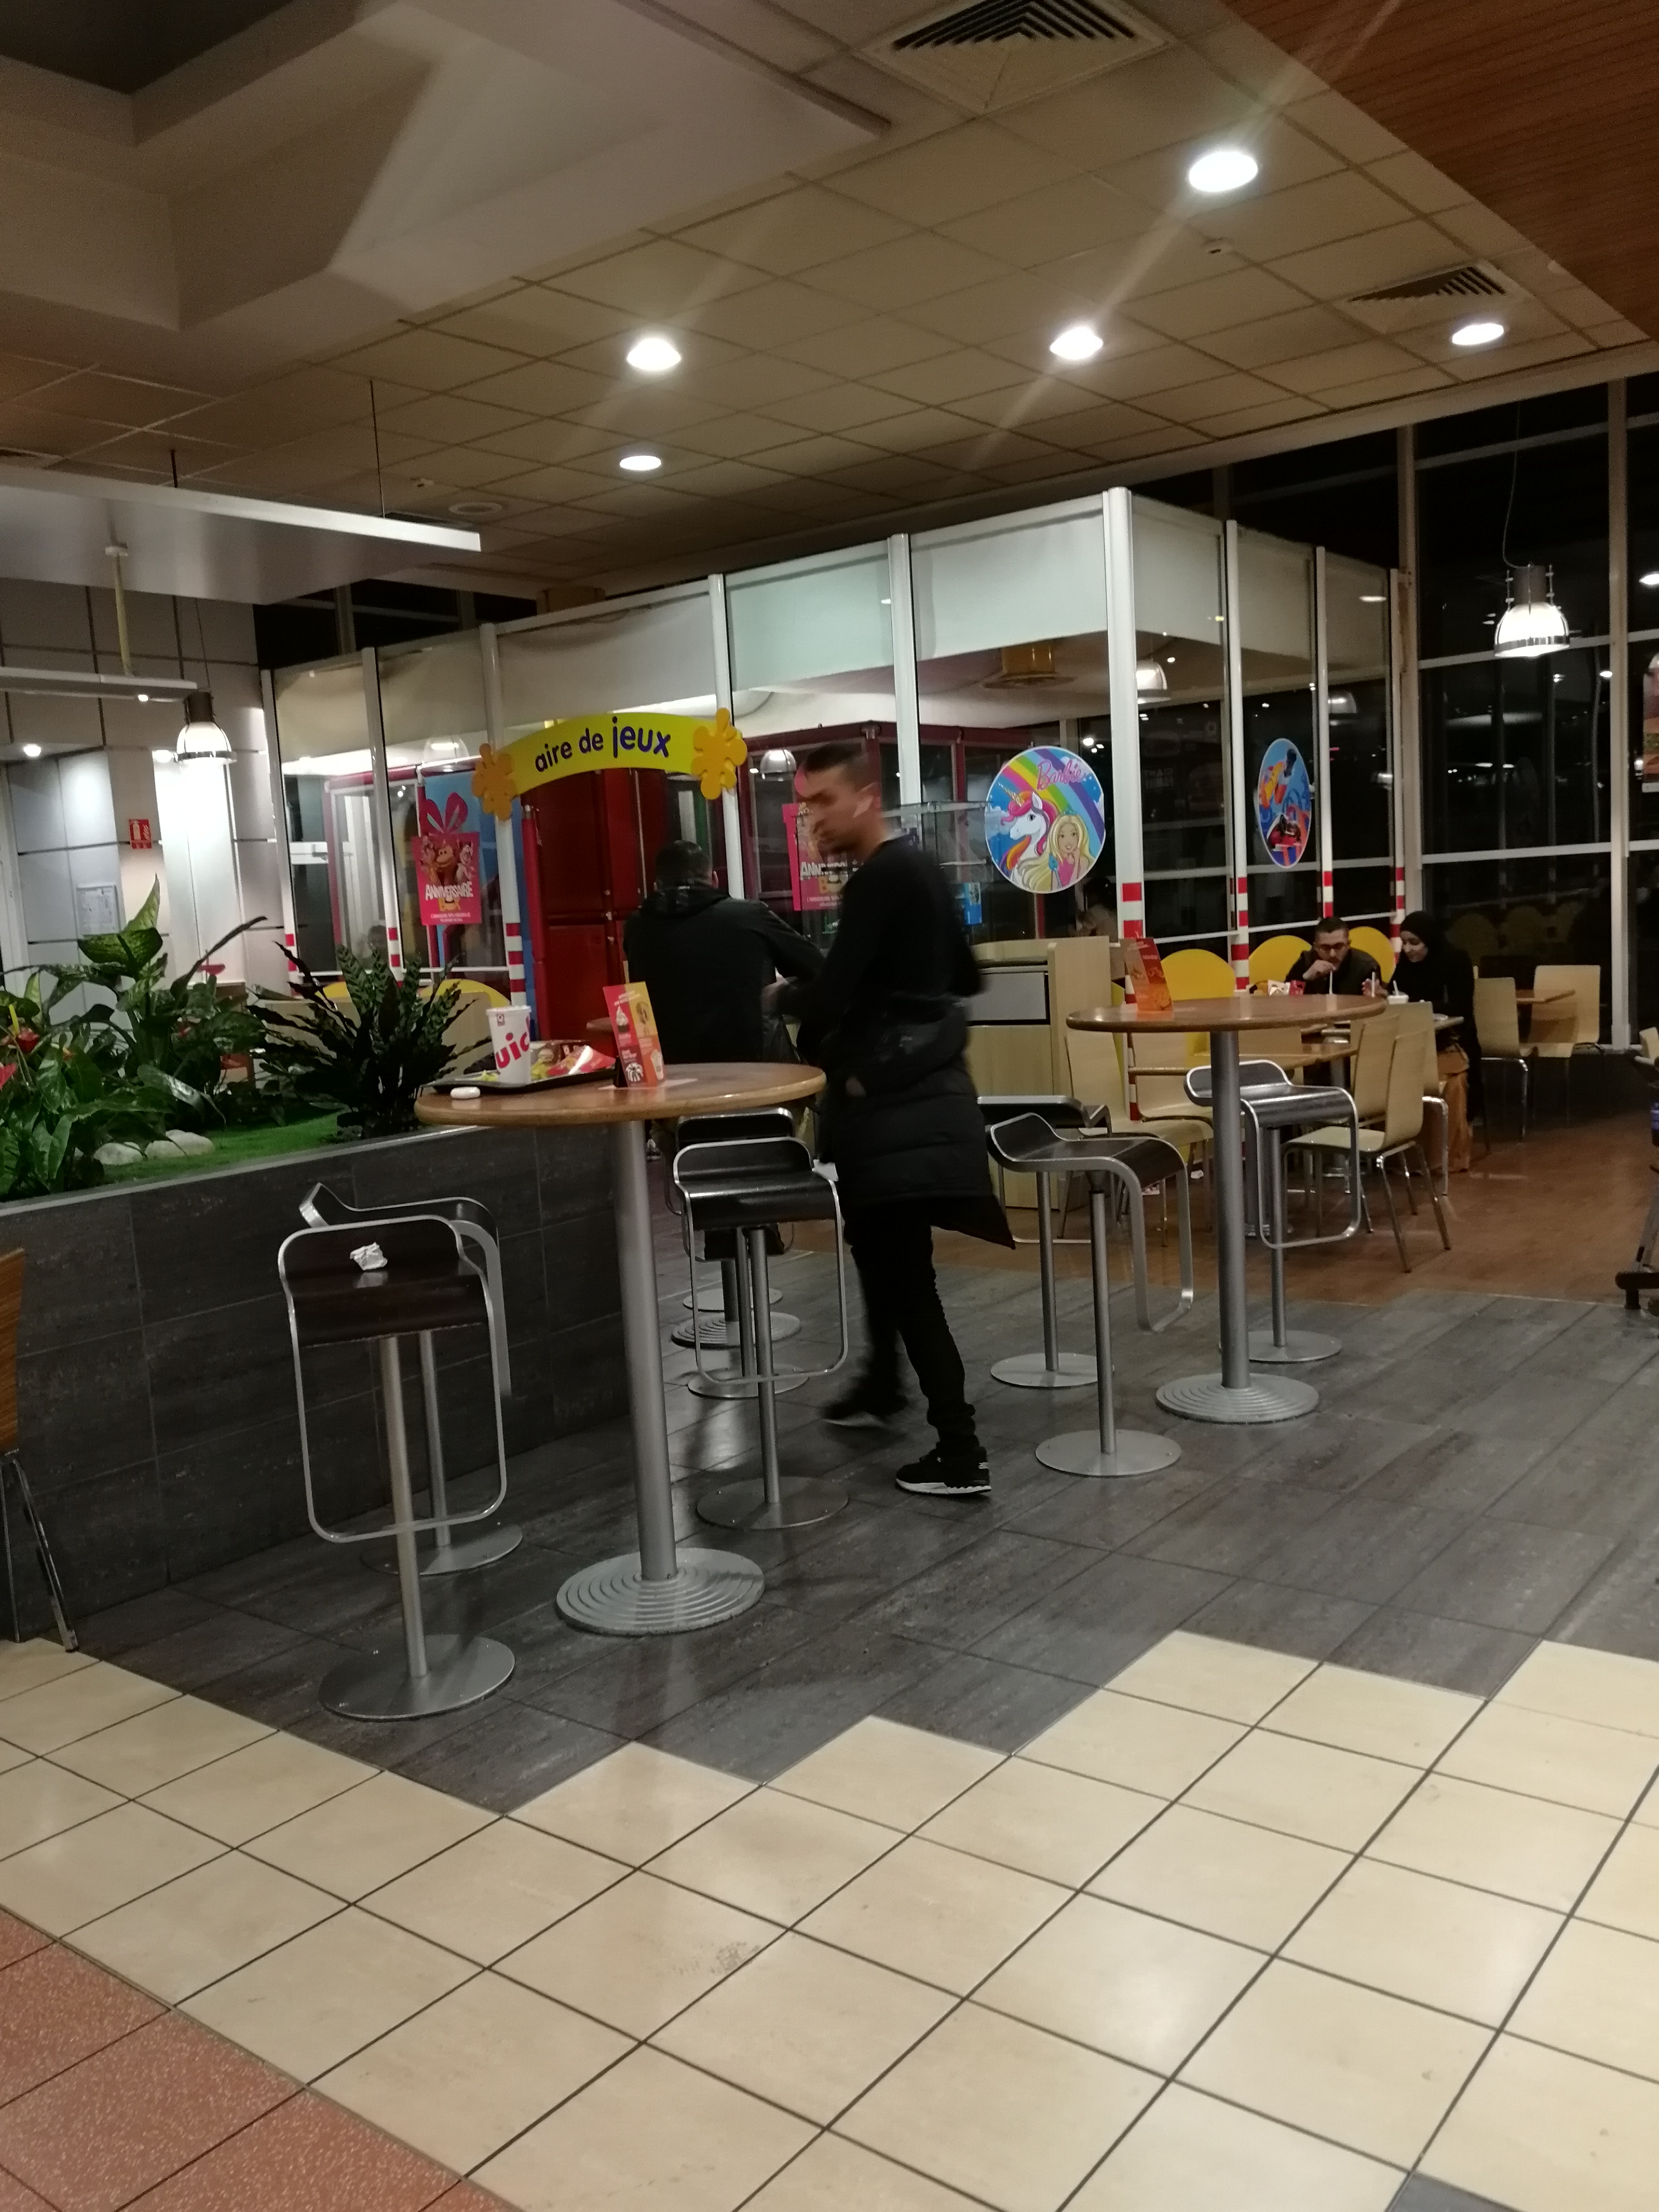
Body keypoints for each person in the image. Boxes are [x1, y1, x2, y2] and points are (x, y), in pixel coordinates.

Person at [770, 741, 1010, 1499]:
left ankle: (961, 1452)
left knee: (906, 1277)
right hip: (930, 1093)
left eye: (823, 802)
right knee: (882, 1254)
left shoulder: (877, 880)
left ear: (866, 798)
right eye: (804, 805)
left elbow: (830, 995)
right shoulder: (923, 868)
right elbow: (967, 975)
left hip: (890, 1106)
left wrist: (779, 996)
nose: (812, 819)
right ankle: (882, 1384)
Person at [623, 840, 822, 1063]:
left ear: (656, 887)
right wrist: (782, 994)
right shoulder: (749, 915)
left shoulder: (636, 927)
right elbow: (819, 969)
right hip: (757, 1070)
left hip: (669, 1070)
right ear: (715, 880)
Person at [1396, 908, 1484, 1127]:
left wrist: (1415, 1004)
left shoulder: (1456, 959)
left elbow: (1461, 1007)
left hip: (1453, 1040)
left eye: (1414, 943)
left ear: (1430, 940)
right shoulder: (1406, 964)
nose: (1407, 949)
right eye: (1404, 942)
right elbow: (1396, 992)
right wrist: (1382, 994)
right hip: (1415, 1040)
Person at [1286, 916, 1382, 997]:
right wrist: (1304, 978)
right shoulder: (1306, 961)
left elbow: (1384, 999)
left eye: (1339, 946)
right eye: (1325, 948)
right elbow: (1285, 1000)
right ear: (1316, 947)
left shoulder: (1365, 966)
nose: (1332, 954)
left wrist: (1379, 996)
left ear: (1348, 945)